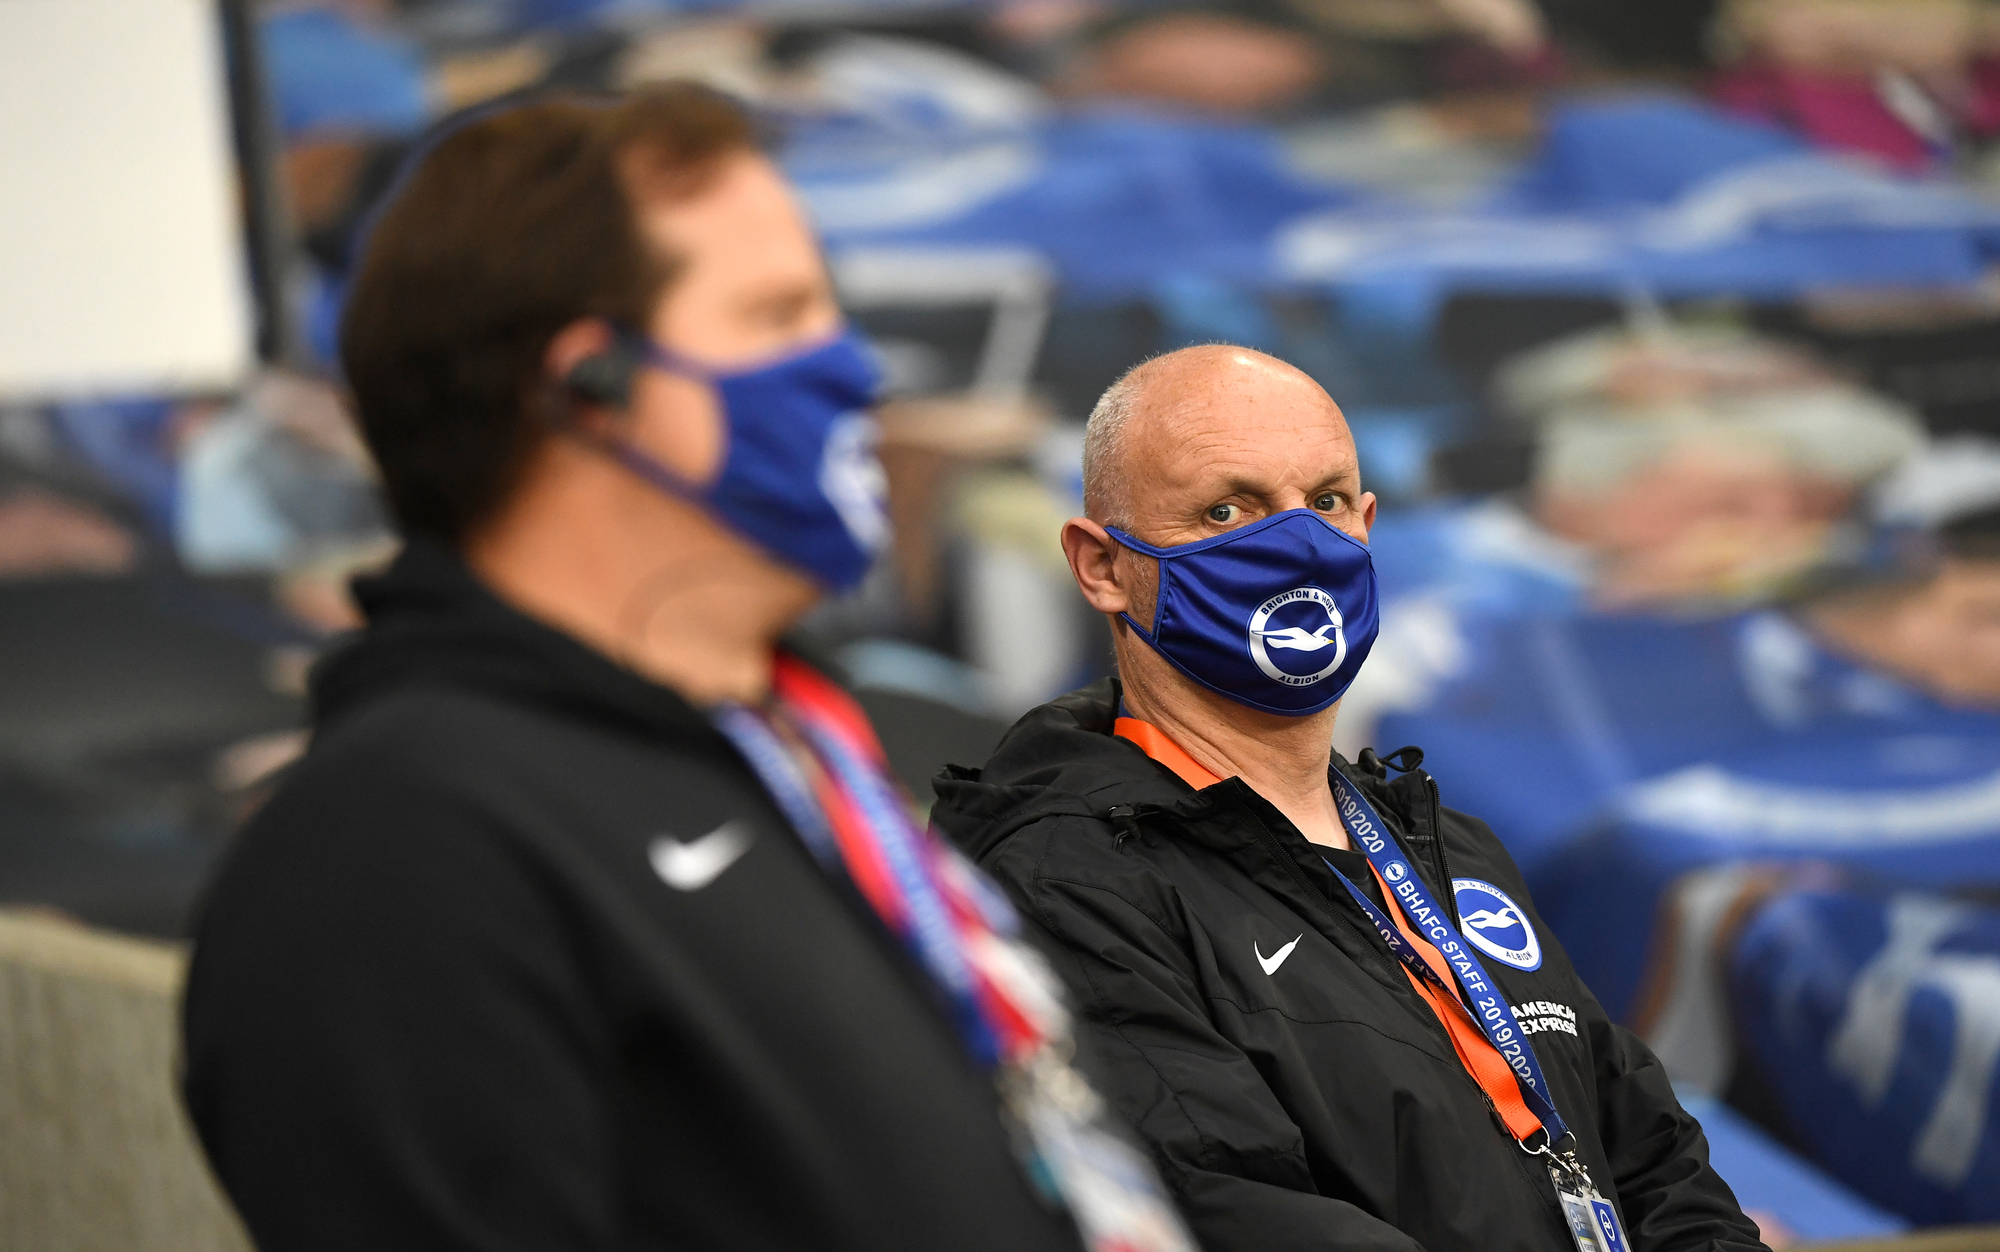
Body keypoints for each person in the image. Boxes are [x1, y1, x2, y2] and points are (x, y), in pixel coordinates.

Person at [179, 87, 1191, 1252]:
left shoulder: (790, 744)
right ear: (588, 388)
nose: (849, 371)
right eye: (777, 317)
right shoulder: (395, 848)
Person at [932, 344, 1771, 1252]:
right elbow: (1227, 1209)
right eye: (1228, 510)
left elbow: (1652, 1155)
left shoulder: (1444, 847)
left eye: (1327, 502)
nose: (1300, 544)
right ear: (1102, 565)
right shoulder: (1064, 881)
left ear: (1368, 526)